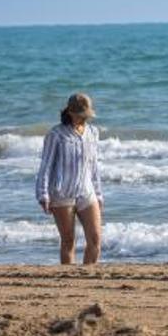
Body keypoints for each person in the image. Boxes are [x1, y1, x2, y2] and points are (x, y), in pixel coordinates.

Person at [36, 92, 104, 264]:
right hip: (61, 194)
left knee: (95, 240)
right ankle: (69, 281)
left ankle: (87, 279)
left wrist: (99, 193)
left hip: (87, 192)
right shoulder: (56, 134)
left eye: (86, 116)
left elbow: (93, 166)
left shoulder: (93, 132)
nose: (85, 119)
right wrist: (43, 194)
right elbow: (46, 165)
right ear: (71, 113)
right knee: (68, 241)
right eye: (81, 116)